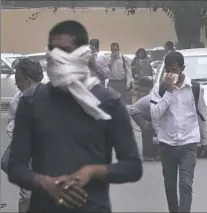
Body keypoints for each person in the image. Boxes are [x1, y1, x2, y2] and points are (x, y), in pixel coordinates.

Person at [7, 20, 142, 212]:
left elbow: (132, 166)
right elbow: (15, 167)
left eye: (65, 50)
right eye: (53, 50)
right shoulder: (31, 102)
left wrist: (93, 171)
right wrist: (44, 182)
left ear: (83, 55)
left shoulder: (108, 103)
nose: (58, 57)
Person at [150, 51, 207, 213]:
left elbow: (202, 115)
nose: (172, 74)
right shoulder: (159, 89)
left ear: (183, 68)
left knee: (185, 183)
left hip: (188, 143)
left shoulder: (194, 88)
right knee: (170, 186)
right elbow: (155, 113)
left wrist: (205, 139)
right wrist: (169, 92)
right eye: (168, 71)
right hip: (167, 144)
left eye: (175, 70)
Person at [1, 58, 44, 212]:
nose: (16, 84)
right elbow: (12, 122)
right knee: (26, 195)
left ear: (29, 80)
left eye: (18, 80)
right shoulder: (17, 100)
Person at [129, 76, 158, 161]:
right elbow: (156, 116)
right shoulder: (155, 100)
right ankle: (147, 155)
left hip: (145, 113)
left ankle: (152, 153)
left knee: (151, 130)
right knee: (147, 130)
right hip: (136, 112)